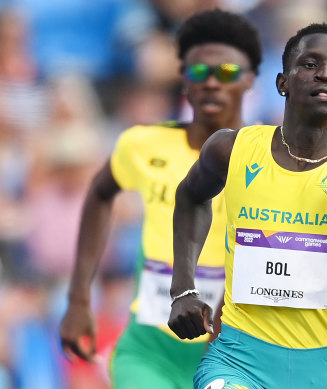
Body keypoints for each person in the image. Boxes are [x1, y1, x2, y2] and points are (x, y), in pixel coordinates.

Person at [168, 23, 327, 389]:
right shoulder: (231, 149)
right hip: (237, 359)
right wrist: (184, 289)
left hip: (319, 370)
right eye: (310, 64)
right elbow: (190, 196)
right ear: (282, 82)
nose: (325, 75)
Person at [59, 9, 262, 389]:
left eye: (229, 73)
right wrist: (79, 299)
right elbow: (100, 193)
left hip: (232, 358)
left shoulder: (269, 157)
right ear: (183, 78)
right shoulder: (143, 144)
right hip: (149, 353)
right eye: (200, 72)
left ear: (251, 80)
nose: (213, 83)